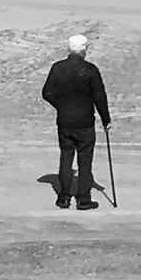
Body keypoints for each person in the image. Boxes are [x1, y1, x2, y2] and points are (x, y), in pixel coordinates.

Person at [41, 34, 111, 210]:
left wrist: (61, 106)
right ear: (83, 50)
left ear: (69, 49)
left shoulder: (58, 68)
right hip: (85, 122)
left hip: (65, 121)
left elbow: (47, 93)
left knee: (66, 157)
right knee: (85, 160)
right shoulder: (90, 70)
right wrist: (106, 119)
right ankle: (84, 199)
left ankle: (63, 198)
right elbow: (99, 96)